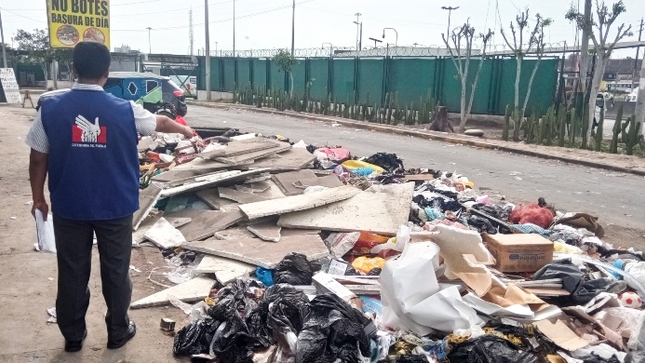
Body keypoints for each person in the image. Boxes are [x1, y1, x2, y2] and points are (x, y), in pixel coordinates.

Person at [26, 41, 195, 352]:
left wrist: (38, 198)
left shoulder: (50, 108)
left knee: (72, 273)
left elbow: (38, 158)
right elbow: (156, 122)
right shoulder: (126, 110)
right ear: (106, 72)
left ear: (73, 69)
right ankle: (118, 331)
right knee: (116, 272)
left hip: (69, 206)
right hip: (115, 207)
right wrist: (187, 132)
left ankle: (73, 336)